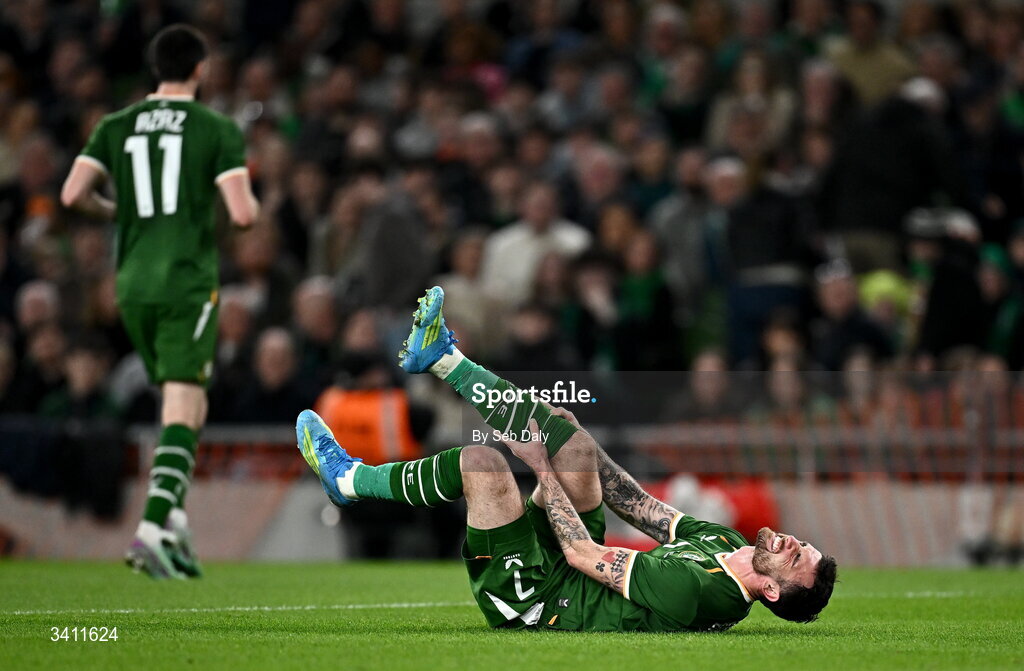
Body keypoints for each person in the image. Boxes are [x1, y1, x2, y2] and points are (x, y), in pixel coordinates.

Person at [296, 286, 837, 631]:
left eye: (795, 559)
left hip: (537, 598)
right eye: (803, 545)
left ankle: (351, 479)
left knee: (483, 464)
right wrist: (570, 443)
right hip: (566, 565)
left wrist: (540, 465)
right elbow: (639, 504)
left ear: (769, 590)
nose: (792, 543)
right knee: (574, 445)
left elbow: (581, 553)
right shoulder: (725, 544)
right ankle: (443, 359)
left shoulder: (701, 592)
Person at [59, 24, 260, 579]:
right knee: (182, 401)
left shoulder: (115, 125)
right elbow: (243, 214)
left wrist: (116, 212)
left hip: (131, 284)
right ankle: (151, 527)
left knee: (190, 405)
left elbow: (72, 193)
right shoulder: (215, 128)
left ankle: (174, 525)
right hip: (185, 279)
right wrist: (250, 214)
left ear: (155, 69)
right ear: (200, 69)